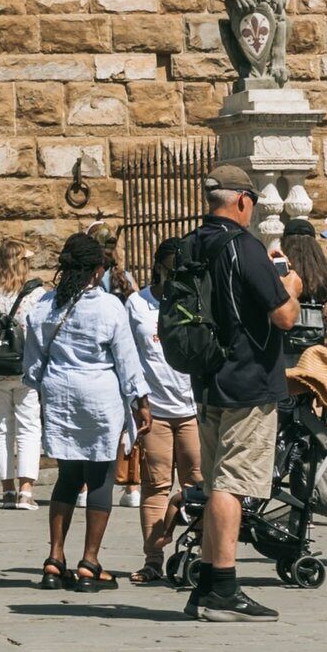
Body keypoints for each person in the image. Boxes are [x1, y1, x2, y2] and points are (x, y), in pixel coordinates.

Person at [177, 166, 298, 622]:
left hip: (206, 379)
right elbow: (284, 316)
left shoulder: (192, 244)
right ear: (244, 201)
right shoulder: (243, 247)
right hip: (247, 381)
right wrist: (292, 286)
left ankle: (206, 587)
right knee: (232, 483)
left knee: (214, 484)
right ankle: (225, 588)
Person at [17, 230, 147, 589]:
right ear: (96, 270)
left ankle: (54, 559)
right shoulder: (109, 306)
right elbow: (127, 361)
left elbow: (32, 366)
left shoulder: (44, 305)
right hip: (100, 396)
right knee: (101, 477)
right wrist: (141, 402)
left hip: (59, 394)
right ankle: (89, 562)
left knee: (68, 477)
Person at [128, 238, 203, 572]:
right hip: (153, 409)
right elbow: (128, 356)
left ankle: (196, 556)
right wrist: (134, 400)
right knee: (157, 485)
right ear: (159, 267)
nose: (176, 278)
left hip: (193, 409)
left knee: (197, 486)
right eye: (172, 271)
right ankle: (153, 559)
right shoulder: (136, 304)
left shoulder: (195, 301)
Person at [0, 237, 42, 511]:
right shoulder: (35, 296)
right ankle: (26, 492)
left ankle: (7, 490)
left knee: (1, 428)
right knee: (28, 428)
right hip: (24, 369)